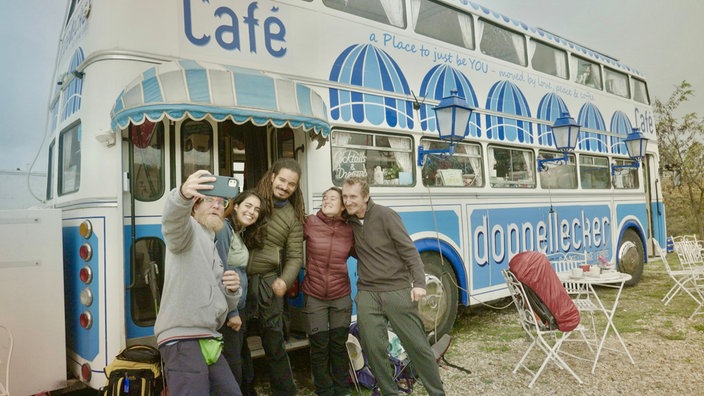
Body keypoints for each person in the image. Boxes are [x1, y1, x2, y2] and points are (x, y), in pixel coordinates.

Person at [341, 176, 445, 396]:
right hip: (368, 292)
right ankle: (389, 391)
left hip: (396, 290)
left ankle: (437, 392)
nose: (348, 201)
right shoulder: (348, 220)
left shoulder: (386, 215)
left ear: (366, 197)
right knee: (373, 348)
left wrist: (419, 283)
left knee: (417, 346)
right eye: (345, 196)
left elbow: (409, 251)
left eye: (353, 197)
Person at [154, 170, 242, 396]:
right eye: (209, 200)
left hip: (208, 336)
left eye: (221, 202)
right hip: (183, 337)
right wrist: (182, 195)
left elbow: (221, 300)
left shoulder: (211, 240)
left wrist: (232, 291)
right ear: (194, 207)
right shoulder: (188, 231)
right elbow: (172, 223)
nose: (216, 206)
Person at [246, 158, 305, 395]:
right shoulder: (250, 201)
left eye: (291, 184)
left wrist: (285, 280)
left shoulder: (293, 217)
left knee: (274, 344)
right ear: (272, 177)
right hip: (237, 281)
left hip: (269, 284)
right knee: (238, 345)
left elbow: (295, 258)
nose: (285, 186)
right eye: (282, 180)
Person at [215, 190, 269, 396]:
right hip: (230, 310)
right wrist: (232, 312)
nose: (252, 212)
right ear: (236, 206)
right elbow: (221, 271)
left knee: (241, 357)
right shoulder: (223, 230)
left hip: (240, 307)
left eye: (257, 210)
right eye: (248, 206)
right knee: (232, 363)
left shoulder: (238, 232)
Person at [302, 186, 354, 396]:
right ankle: (324, 391)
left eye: (333, 198)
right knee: (319, 347)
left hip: (340, 295)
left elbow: (369, 252)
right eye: (324, 197)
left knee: (339, 346)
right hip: (314, 295)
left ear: (343, 206)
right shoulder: (310, 223)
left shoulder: (351, 229)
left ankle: (342, 390)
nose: (327, 201)